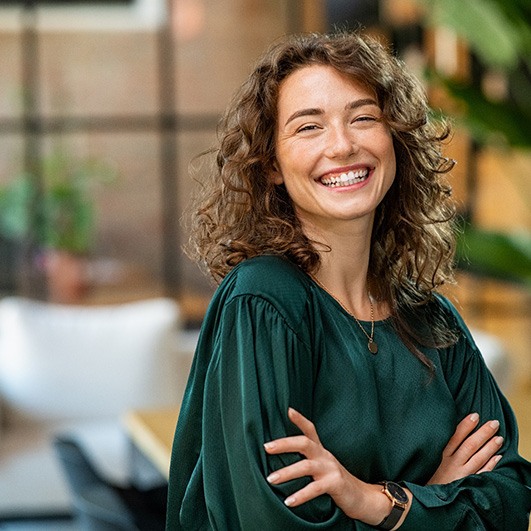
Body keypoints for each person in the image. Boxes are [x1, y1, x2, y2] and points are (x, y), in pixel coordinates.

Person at [166, 31, 531, 530]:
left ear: (394, 139)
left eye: (363, 118)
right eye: (308, 127)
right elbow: (271, 523)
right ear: (271, 163)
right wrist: (438, 501)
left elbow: (509, 500)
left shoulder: (433, 321)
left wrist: (377, 501)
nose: (342, 145)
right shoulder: (263, 302)